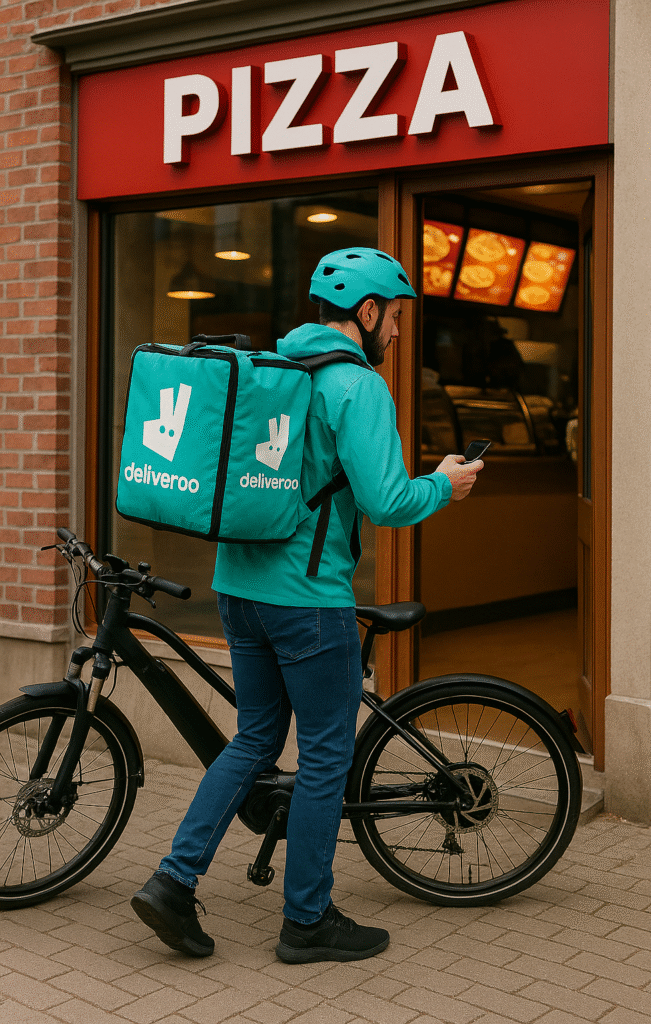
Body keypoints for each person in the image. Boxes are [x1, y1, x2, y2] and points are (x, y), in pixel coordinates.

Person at [130, 247, 483, 964]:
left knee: (253, 739)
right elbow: (387, 502)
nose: (395, 333)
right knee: (324, 755)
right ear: (367, 310)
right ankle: (306, 921)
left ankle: (172, 881)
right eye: (395, 318)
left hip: (238, 588)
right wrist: (445, 483)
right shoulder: (356, 388)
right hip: (306, 599)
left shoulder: (277, 369)